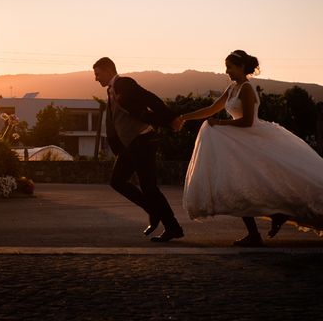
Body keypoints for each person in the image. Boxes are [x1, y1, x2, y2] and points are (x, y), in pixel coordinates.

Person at [179, 50, 323, 246]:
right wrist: (184, 117)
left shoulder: (246, 88)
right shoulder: (232, 88)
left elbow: (247, 121)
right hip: (238, 142)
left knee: (256, 183)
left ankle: (271, 220)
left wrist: (220, 125)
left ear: (240, 67)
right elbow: (212, 109)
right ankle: (271, 220)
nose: (226, 71)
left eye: (230, 67)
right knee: (242, 185)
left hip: (252, 139)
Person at [93, 57, 184, 242]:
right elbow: (114, 122)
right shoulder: (112, 90)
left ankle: (172, 226)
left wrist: (170, 118)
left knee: (149, 187)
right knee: (118, 181)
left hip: (143, 140)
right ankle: (154, 211)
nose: (95, 78)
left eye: (97, 74)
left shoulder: (123, 83)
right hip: (131, 144)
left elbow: (148, 97)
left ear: (109, 70)